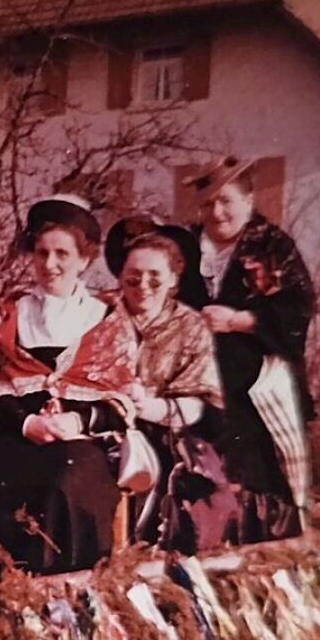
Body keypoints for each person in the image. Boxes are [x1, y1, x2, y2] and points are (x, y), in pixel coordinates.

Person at [0, 195, 139, 572]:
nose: (50, 265)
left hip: (82, 436)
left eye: (62, 254)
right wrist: (27, 423)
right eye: (41, 253)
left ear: (84, 260)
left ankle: (63, 595)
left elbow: (120, 398)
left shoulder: (106, 318)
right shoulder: (9, 311)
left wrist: (75, 421)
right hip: (14, 429)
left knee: (65, 481)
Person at [181, 156, 315, 541]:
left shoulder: (272, 246)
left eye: (226, 201)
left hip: (258, 390)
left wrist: (240, 320)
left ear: (248, 199)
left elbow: (298, 309)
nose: (217, 212)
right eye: (209, 203)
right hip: (199, 388)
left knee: (262, 486)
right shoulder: (187, 246)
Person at [105, 224, 231, 550]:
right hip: (102, 422)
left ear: (173, 279)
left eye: (154, 276)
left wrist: (147, 406)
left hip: (167, 430)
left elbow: (199, 400)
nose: (143, 285)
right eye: (133, 276)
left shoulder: (191, 326)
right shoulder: (100, 313)